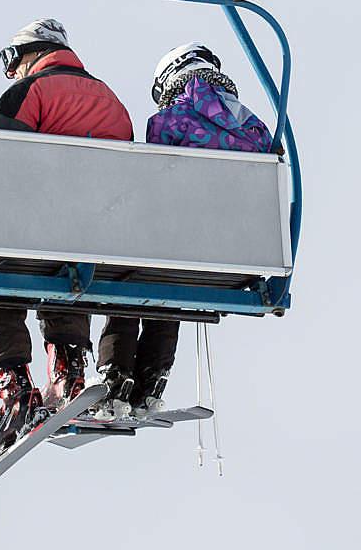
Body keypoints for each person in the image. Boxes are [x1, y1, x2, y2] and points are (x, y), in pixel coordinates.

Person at [0, 18, 134, 453]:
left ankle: (14, 388)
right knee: (66, 282)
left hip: (35, 225)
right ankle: (68, 370)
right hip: (94, 235)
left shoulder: (29, 92)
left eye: (11, 61)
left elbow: (4, 163)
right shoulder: (110, 99)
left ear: (29, 53)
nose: (11, 72)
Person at [95, 43, 274, 417]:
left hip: (180, 233)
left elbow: (158, 180)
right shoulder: (252, 121)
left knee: (131, 285)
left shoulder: (170, 120)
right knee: (169, 292)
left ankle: (116, 378)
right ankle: (154, 379)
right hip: (241, 242)